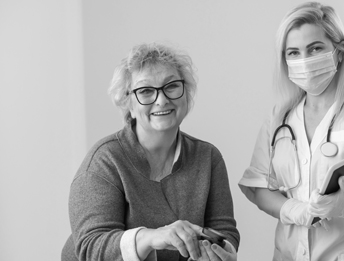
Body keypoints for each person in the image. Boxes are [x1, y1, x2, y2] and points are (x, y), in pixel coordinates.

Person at [238, 2, 344, 261]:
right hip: (288, 254)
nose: (304, 60)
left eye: (315, 48)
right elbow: (259, 187)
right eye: (293, 53)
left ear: (338, 52)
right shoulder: (279, 117)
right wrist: (293, 209)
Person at [62, 43, 239, 261]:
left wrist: (223, 252)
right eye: (145, 91)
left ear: (187, 92)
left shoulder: (208, 157)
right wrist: (151, 237)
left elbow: (224, 230)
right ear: (128, 103)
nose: (162, 99)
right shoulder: (105, 161)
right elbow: (90, 248)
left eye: (171, 86)